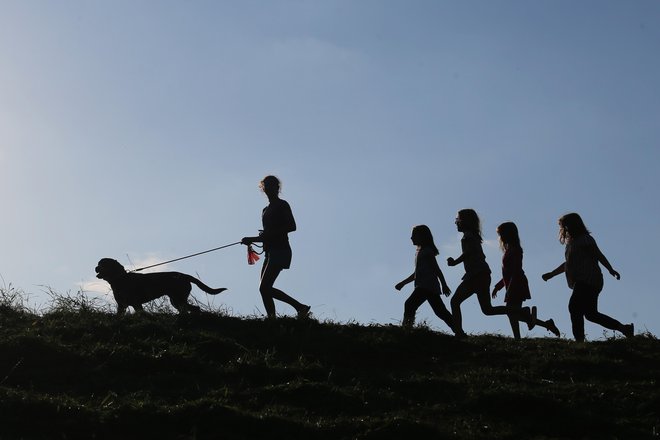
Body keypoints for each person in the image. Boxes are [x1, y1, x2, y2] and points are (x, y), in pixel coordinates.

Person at [541, 213, 633, 342]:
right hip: (583, 281)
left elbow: (598, 254)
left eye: (566, 226)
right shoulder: (571, 244)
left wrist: (610, 269)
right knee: (591, 314)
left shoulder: (585, 239)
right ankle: (624, 328)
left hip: (589, 279)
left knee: (574, 306)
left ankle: (579, 340)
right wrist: (552, 274)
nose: (565, 229)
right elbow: (568, 264)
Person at [241, 175, 310, 319]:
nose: (267, 188)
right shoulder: (265, 210)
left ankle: (300, 307)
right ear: (263, 188)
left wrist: (265, 235)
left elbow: (292, 226)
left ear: (277, 188)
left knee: (264, 287)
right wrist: (254, 239)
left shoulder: (282, 205)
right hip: (270, 251)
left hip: (281, 250)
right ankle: (272, 319)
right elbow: (267, 235)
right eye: (265, 185)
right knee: (264, 290)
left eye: (271, 185)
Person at [447, 209, 511, 337]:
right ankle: (521, 311)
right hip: (481, 274)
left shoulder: (468, 236)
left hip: (476, 274)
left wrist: (454, 262)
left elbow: (468, 253)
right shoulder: (472, 235)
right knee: (487, 309)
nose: (456, 223)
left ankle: (459, 332)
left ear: (465, 221)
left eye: (457, 220)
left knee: (455, 301)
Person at [492, 222, 560, 339]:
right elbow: (508, 273)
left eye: (502, 234)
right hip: (513, 283)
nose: (501, 237)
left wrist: (509, 288)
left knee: (511, 312)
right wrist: (499, 286)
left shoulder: (515, 250)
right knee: (513, 313)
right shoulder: (509, 250)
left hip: (517, 284)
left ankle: (519, 334)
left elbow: (515, 271)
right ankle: (545, 324)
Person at [395, 225, 454, 332]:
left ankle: (406, 329)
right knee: (440, 311)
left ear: (422, 236)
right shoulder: (421, 252)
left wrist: (444, 285)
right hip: (428, 287)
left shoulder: (427, 252)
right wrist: (403, 283)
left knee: (409, 304)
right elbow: (416, 274)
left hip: (426, 286)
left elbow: (437, 269)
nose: (411, 238)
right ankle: (458, 330)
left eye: (414, 235)